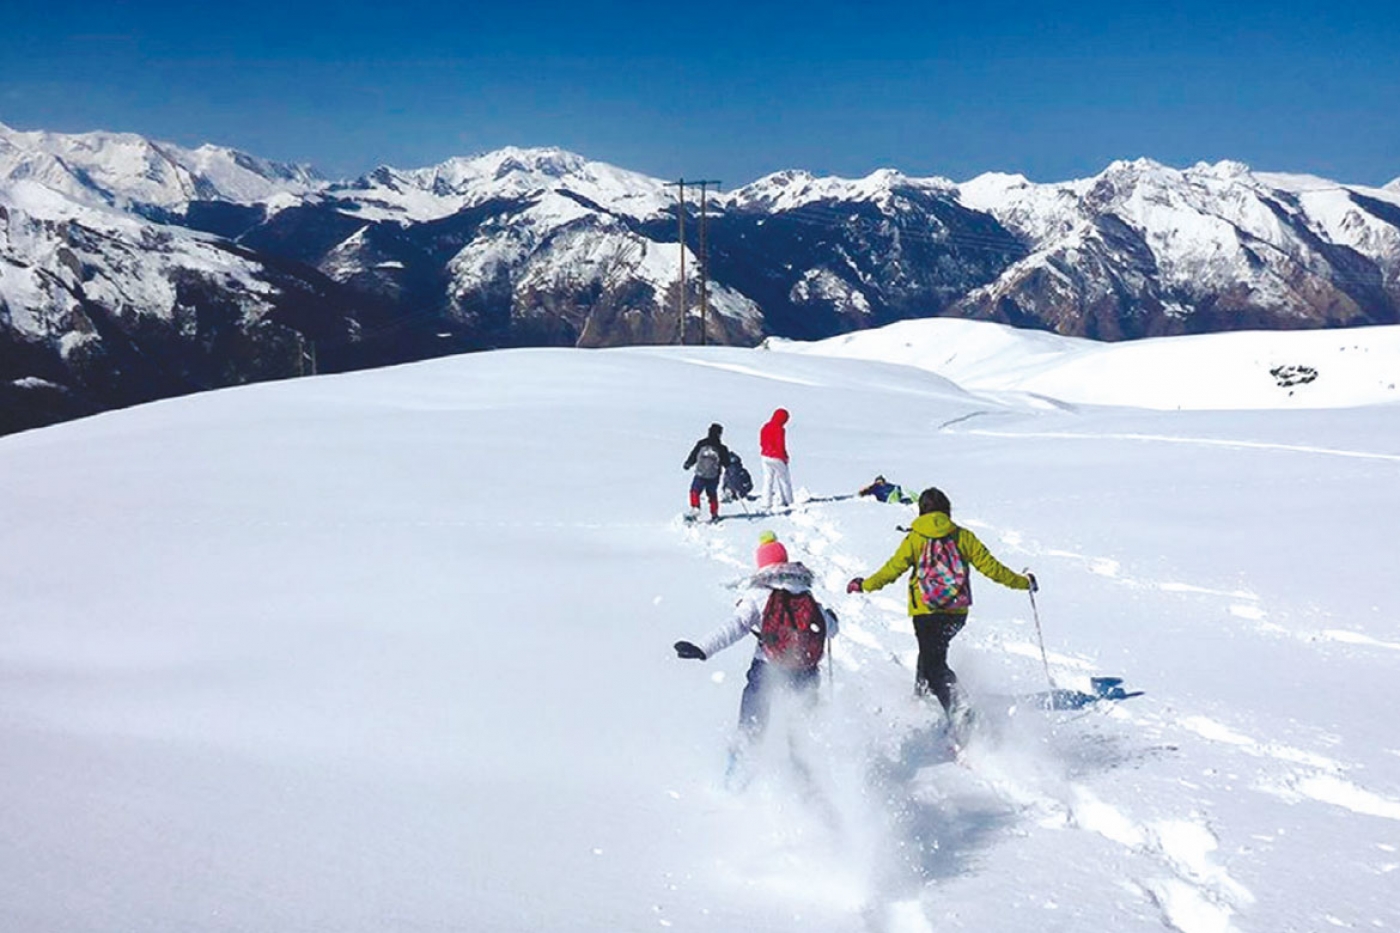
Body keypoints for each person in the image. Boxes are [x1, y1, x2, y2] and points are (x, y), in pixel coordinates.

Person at [845, 486, 1036, 734]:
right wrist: (1024, 582)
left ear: (921, 510)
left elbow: (892, 570)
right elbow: (993, 568)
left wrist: (865, 584)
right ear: (947, 510)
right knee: (931, 653)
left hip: (925, 613)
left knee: (935, 665)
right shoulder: (963, 537)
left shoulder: (914, 538)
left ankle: (962, 714)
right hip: (956, 612)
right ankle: (921, 696)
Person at [674, 531, 838, 777]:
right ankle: (805, 779)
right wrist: (832, 618)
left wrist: (702, 648)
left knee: (752, 725)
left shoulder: (760, 594)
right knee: (800, 730)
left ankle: (736, 778)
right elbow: (830, 629)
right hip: (806, 671)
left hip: (768, 670)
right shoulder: (805, 593)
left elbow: (737, 626)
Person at [682, 423, 731, 522]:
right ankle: (714, 513)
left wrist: (688, 464)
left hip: (700, 474)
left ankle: (695, 507)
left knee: (695, 491)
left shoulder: (701, 443)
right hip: (714, 476)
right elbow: (727, 463)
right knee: (712, 494)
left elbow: (694, 455)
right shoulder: (722, 448)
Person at [758, 408, 793, 511]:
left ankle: (766, 502)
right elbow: (780, 445)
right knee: (784, 479)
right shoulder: (780, 429)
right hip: (777, 457)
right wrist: (785, 457)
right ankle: (788, 501)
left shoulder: (765, 426)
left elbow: (762, 442)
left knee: (767, 480)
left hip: (765, 456)